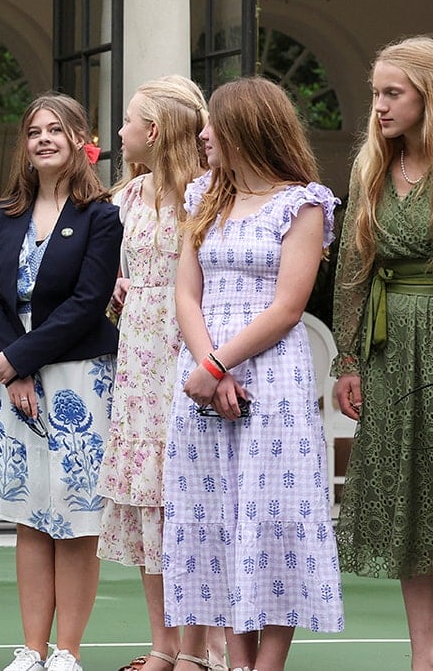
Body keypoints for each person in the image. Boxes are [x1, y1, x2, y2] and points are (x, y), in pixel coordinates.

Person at [164, 77, 343, 671]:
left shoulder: (303, 204)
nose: (203, 133)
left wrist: (220, 364)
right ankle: (237, 663)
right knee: (216, 516)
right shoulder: (202, 197)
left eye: (213, 122)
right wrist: (208, 369)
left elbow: (289, 307)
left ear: (245, 129)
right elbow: (186, 294)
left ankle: (268, 666)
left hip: (272, 378)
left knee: (272, 516)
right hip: (203, 376)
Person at [0, 92, 120, 671]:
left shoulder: (101, 216)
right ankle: (32, 649)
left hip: (78, 379)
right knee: (30, 515)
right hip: (12, 381)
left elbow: (87, 303)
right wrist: (14, 369)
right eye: (34, 131)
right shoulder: (3, 214)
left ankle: (67, 652)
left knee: (77, 518)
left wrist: (20, 359)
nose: (44, 139)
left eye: (56, 129)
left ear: (79, 140)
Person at [96, 76, 216, 671]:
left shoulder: (207, 193)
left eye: (128, 120)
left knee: (189, 501)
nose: (119, 132)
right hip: (138, 361)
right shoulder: (128, 196)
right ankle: (163, 646)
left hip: (187, 352)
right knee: (150, 505)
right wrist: (118, 289)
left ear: (154, 130)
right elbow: (117, 273)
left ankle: (202, 648)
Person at [332, 35, 433, 671]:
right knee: (410, 505)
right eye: (375, 94)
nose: (379, 106)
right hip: (390, 349)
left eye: (393, 93)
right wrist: (347, 360)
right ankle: (425, 656)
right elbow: (352, 267)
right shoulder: (371, 167)